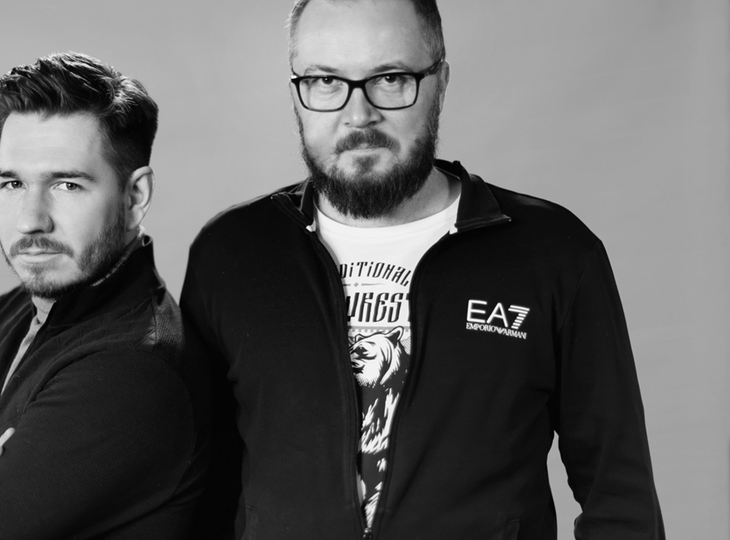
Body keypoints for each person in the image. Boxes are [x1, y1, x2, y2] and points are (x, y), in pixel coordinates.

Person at [181, 0, 664, 538]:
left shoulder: (554, 253)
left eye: (390, 78)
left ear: (440, 82)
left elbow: (620, 499)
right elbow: (198, 487)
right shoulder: (232, 253)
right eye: (325, 81)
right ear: (298, 90)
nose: (358, 115)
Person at [0, 52, 208, 540]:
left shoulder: (131, 369)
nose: (30, 220)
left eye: (67, 184)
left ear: (135, 196)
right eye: (13, 183)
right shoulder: (13, 311)